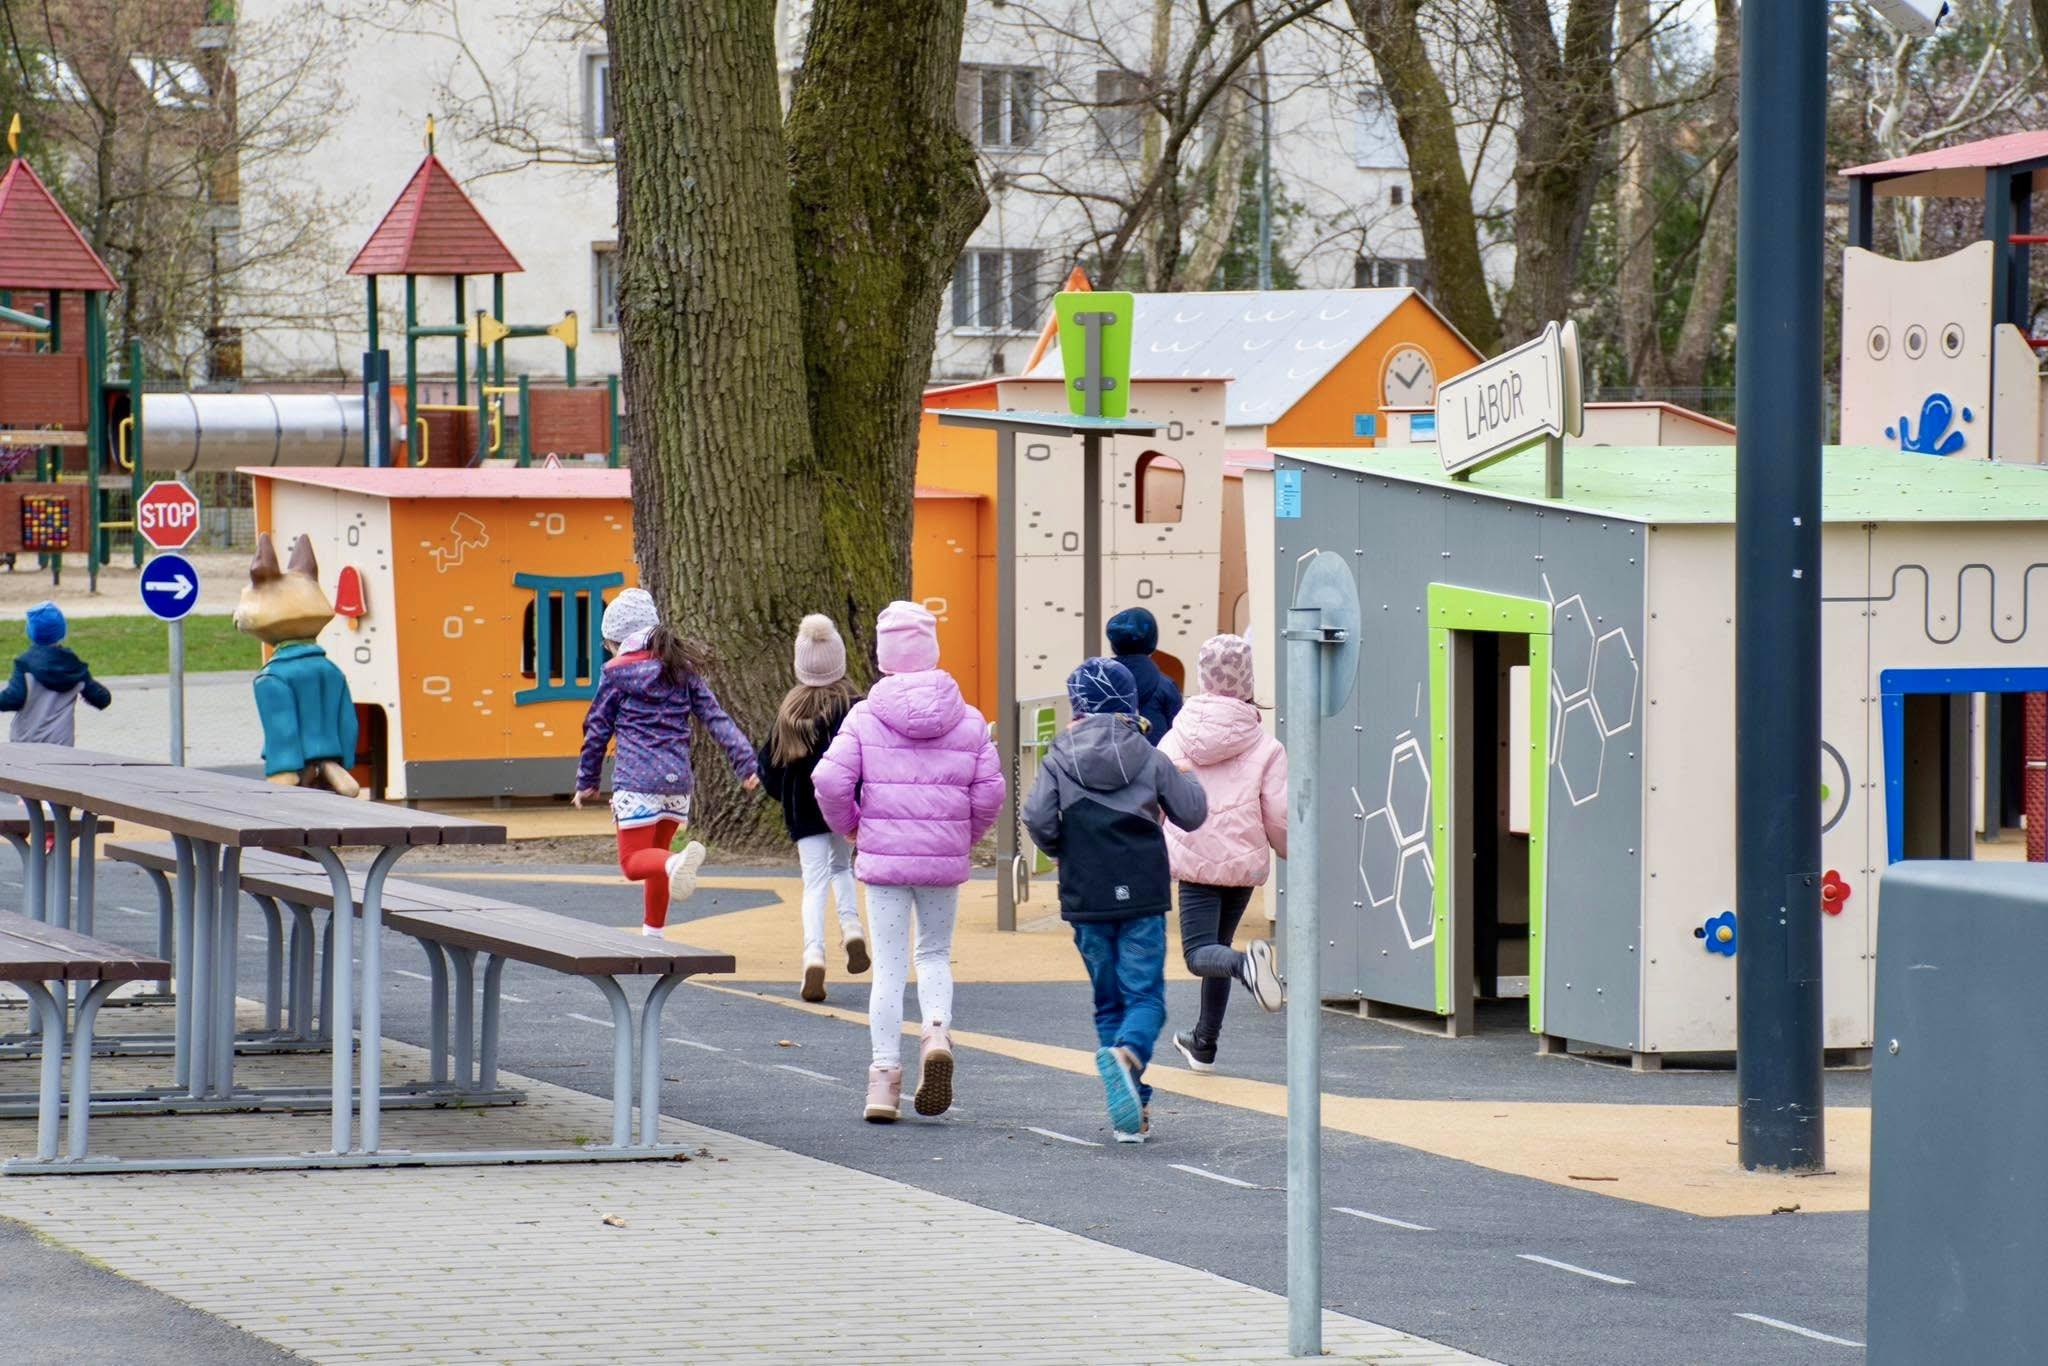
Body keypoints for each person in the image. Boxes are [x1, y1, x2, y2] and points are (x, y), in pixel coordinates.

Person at [814, 601, 1002, 1124]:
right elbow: (991, 791)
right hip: (943, 859)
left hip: (884, 861)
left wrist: (853, 826)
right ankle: (936, 1032)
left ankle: (882, 1083)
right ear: (933, 650)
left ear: (884, 658)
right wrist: (964, 835)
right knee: (936, 954)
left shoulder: (865, 716)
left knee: (889, 970)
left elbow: (828, 781)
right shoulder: (966, 719)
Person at [1022, 657, 1206, 1143]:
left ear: (1078, 704)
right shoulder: (1149, 754)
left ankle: (1133, 1112)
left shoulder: (1058, 756)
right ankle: (1128, 1058)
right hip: (1142, 891)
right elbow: (1191, 814)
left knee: (1108, 1002)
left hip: (1087, 891)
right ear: (1129, 702)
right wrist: (1190, 779)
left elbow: (1038, 818)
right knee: (1145, 997)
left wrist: (1067, 849)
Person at [574, 588, 758, 936]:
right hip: (677, 783)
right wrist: (745, 763)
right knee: (656, 858)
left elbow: (596, 727)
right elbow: (716, 718)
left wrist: (587, 781)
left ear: (619, 640)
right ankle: (653, 935)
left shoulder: (614, 674)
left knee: (633, 863)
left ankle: (676, 863)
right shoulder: (681, 669)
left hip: (637, 781)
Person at [1157, 635, 1287, 1073]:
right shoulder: (1265, 745)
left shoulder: (1178, 736)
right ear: (1248, 677)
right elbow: (1281, 814)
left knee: (1201, 955)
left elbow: (1154, 797)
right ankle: (1204, 1043)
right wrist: (1287, 851)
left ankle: (1246, 965)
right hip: (1242, 861)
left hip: (1194, 857)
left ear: (1202, 675)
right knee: (1219, 946)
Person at [756, 614, 868, 1003]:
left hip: (803, 814)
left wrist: (783, 796)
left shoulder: (789, 712)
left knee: (814, 883)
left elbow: (769, 769)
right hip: (845, 807)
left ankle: (813, 955)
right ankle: (853, 929)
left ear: (800, 665)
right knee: (843, 868)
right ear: (838, 660)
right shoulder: (856, 707)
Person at [0, 601, 111, 744]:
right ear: (62, 631)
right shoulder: (75, 668)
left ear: (31, 632)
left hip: (27, 742)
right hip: (61, 744)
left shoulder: (25, 665)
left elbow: (14, 698)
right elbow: (102, 699)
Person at [1106, 606, 1182, 745]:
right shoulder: (1166, 686)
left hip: (1107, 764)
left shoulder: (1099, 685)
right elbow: (1179, 736)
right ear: (1152, 641)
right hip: (1155, 763)